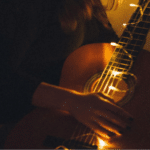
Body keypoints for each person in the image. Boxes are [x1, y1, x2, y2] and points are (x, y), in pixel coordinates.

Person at [0, 0, 133, 141]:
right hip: (27, 128)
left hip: (69, 122)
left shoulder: (89, 4)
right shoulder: (26, 5)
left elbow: (110, 47)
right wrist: (72, 102)